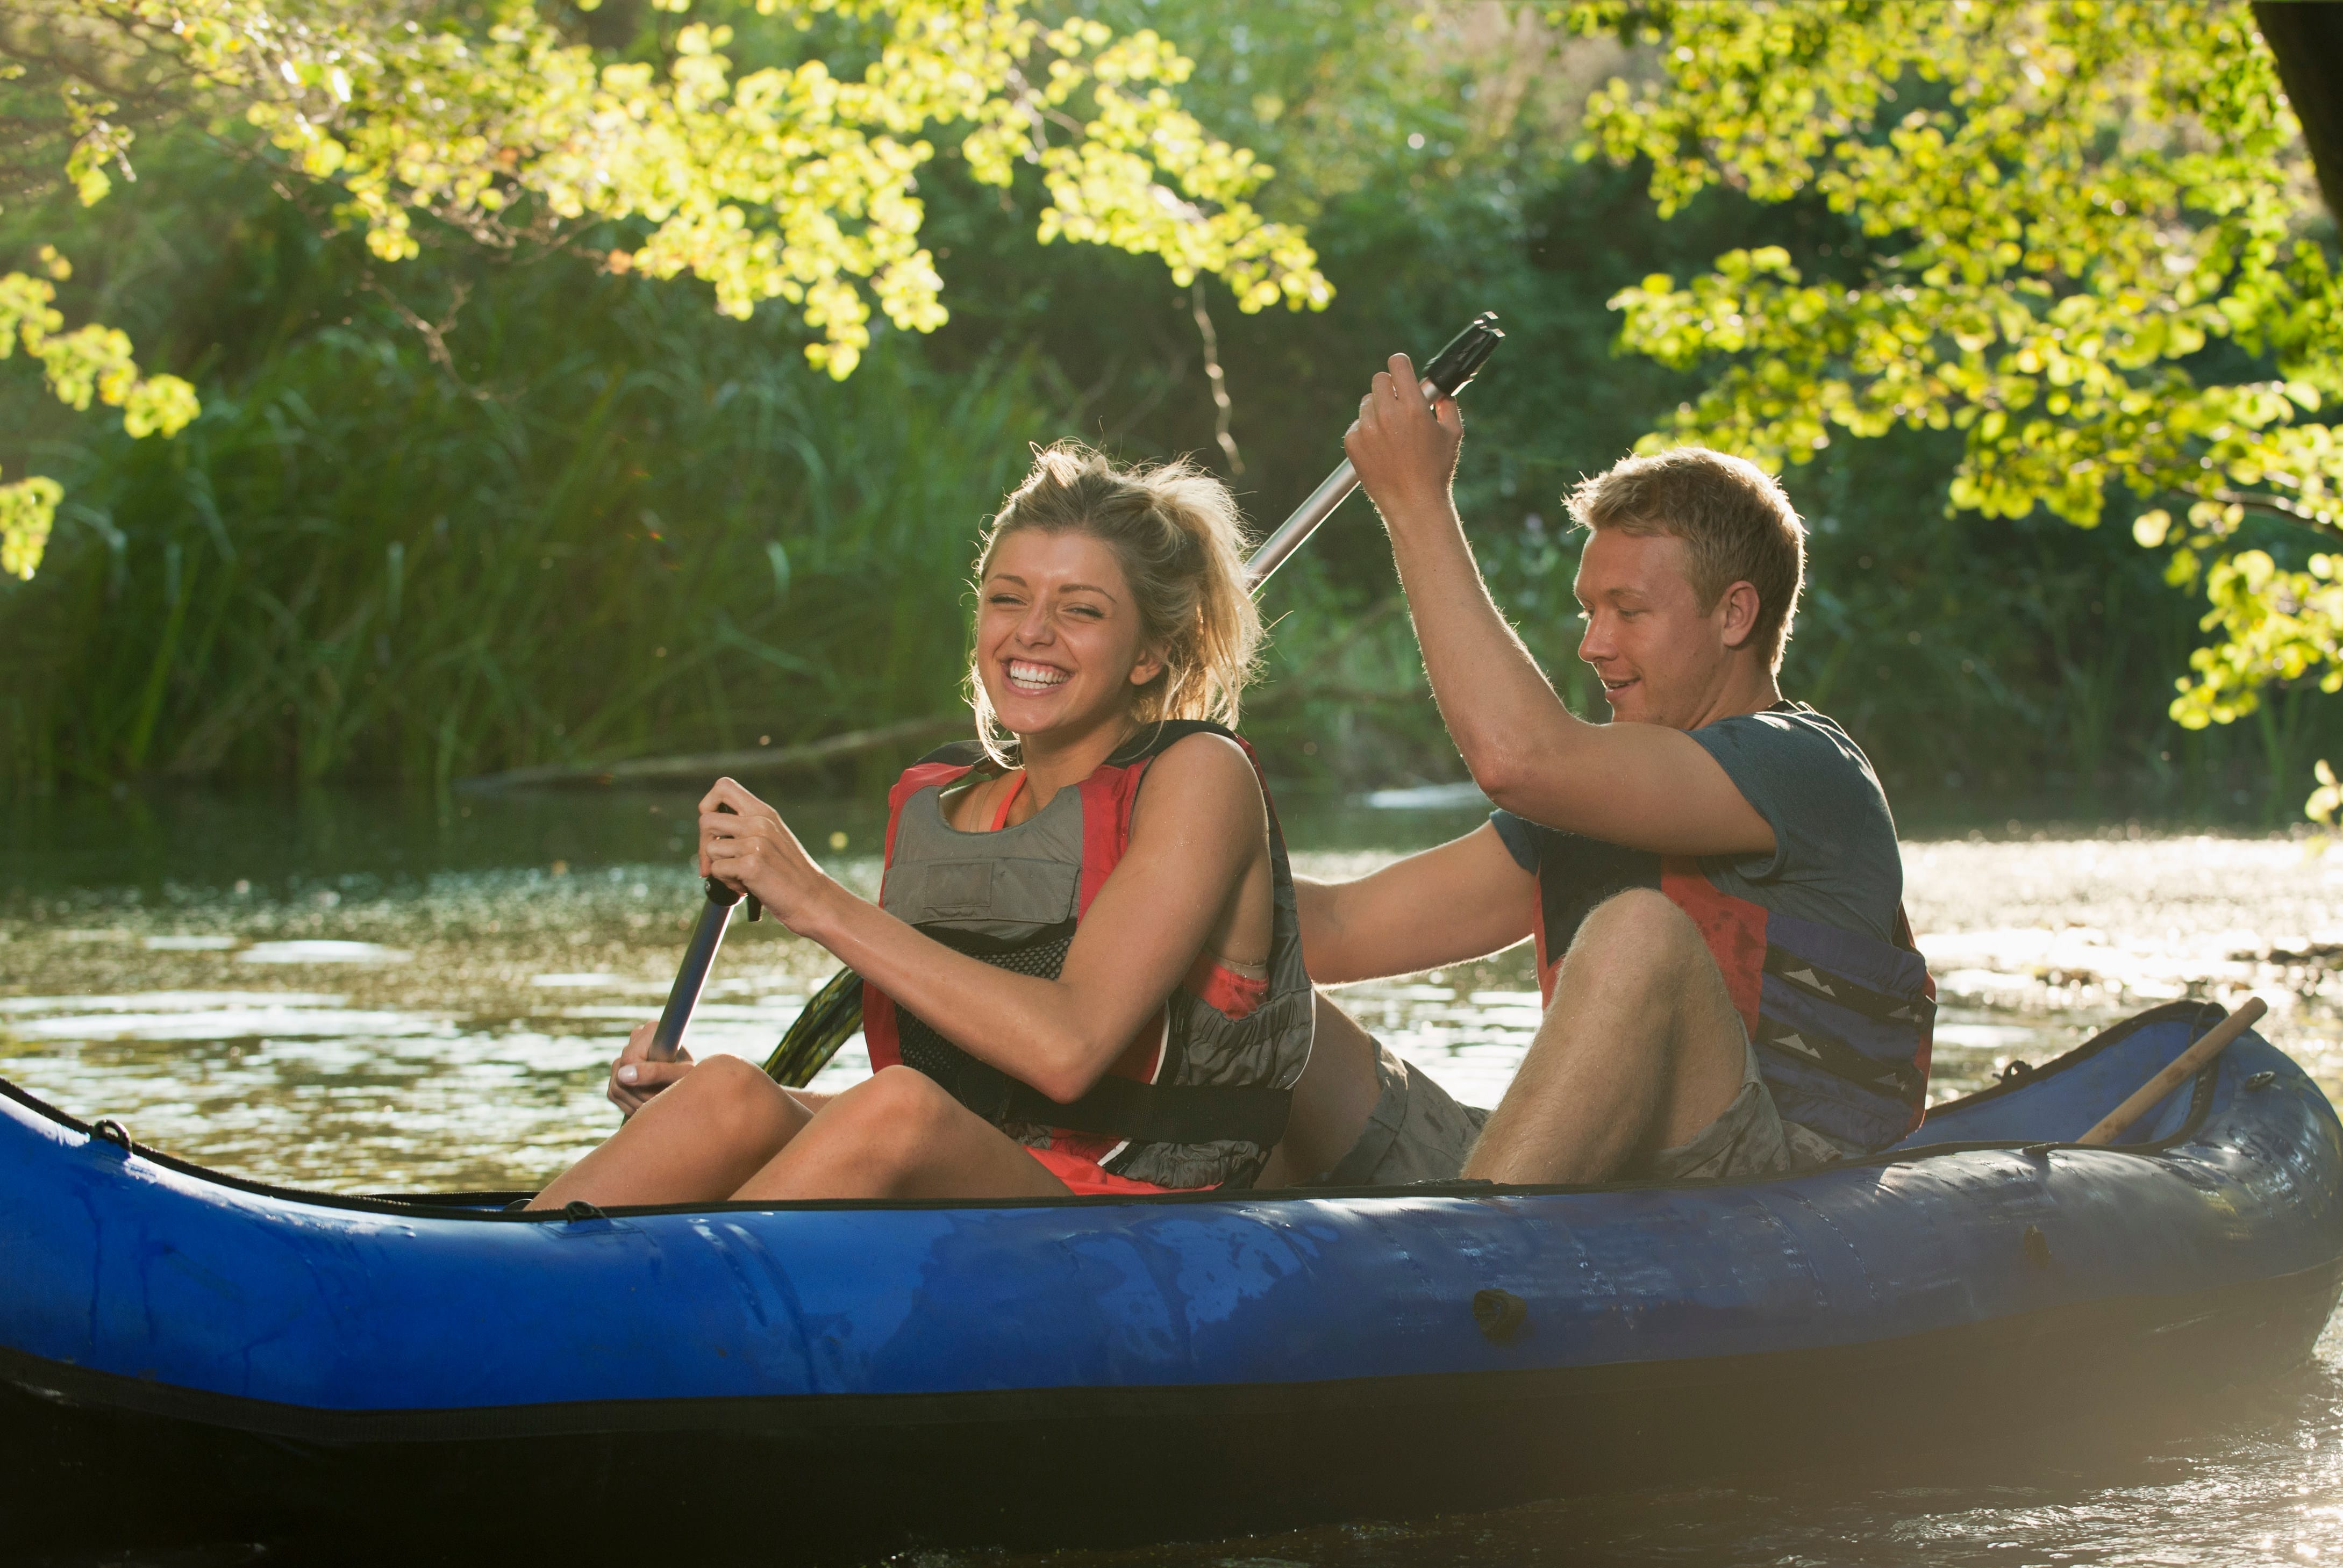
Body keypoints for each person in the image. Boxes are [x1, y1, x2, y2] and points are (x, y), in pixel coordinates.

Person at [533, 442, 1311, 1209]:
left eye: (1080, 610)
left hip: (1153, 1227)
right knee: (727, 1091)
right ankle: (513, 1276)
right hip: (986, 1187)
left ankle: (651, 1312)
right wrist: (688, 1111)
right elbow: (975, 1113)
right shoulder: (945, 799)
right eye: (1009, 599)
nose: (1031, 632)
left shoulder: (1200, 774)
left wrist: (813, 899)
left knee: (897, 1106)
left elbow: (1068, 1052)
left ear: (1149, 656)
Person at [1267, 356, 1933, 1188]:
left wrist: (1413, 499)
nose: (1594, 644)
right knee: (1266, 1015)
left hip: (1775, 1188)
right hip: (1582, 1186)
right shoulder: (1581, 810)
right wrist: (1134, 844)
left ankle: (1466, 1277)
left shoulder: (1804, 766)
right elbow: (1330, 933)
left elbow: (1522, 761)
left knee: (1639, 931)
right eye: (1590, 611)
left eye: (1629, 610)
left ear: (1735, 614)